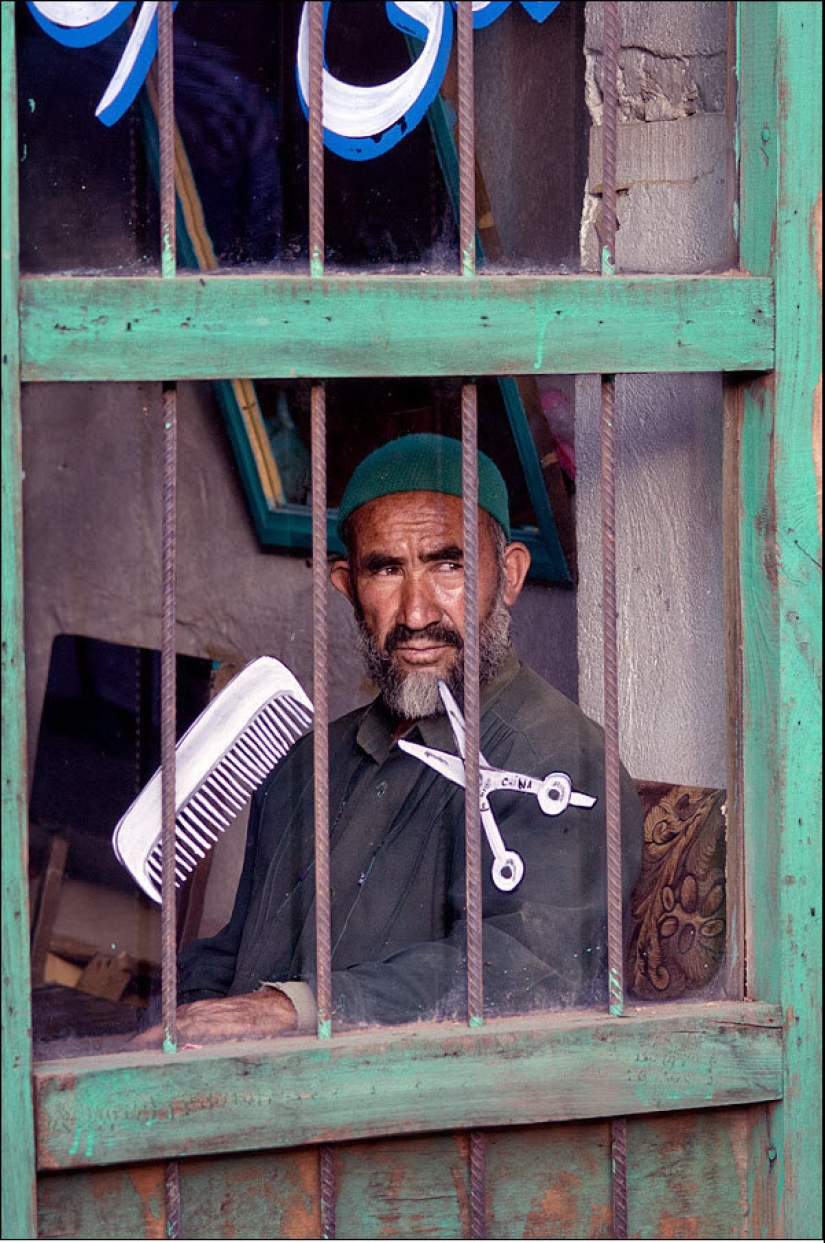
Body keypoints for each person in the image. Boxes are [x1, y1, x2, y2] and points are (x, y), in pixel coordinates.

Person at [145, 434, 643, 1044]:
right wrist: (185, 1020)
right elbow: (238, 950)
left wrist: (289, 1008)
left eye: (448, 564)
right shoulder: (308, 761)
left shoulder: (560, 763)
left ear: (509, 574)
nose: (414, 613)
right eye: (385, 569)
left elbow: (528, 973)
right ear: (347, 585)